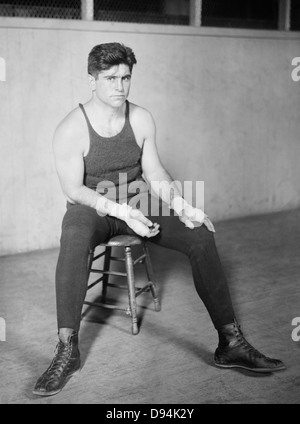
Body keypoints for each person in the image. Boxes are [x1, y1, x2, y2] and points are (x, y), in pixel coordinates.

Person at [33, 42, 285, 397]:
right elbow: (74, 189)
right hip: (94, 208)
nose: (120, 86)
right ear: (92, 80)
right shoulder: (71, 128)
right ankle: (66, 349)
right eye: (110, 78)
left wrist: (183, 206)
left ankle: (231, 343)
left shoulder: (141, 118)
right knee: (73, 234)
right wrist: (123, 212)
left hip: (139, 200)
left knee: (200, 235)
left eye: (126, 77)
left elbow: (154, 172)